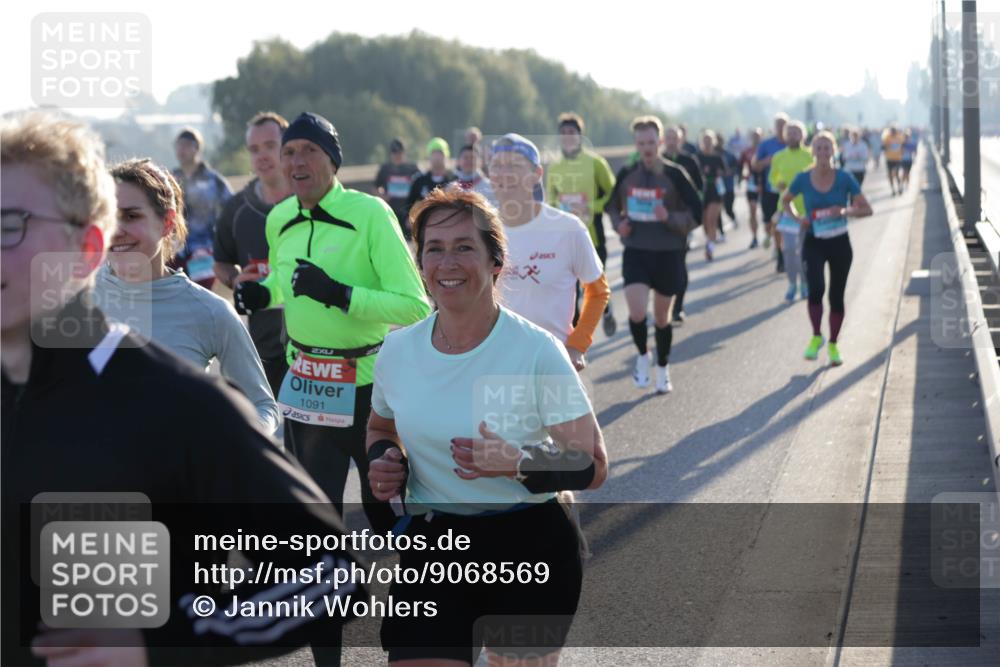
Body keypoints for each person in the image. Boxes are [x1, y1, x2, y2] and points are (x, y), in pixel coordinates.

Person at [2, 110, 366, 667]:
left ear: (87, 246)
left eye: (11, 225)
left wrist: (165, 641)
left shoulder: (180, 403)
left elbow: (332, 577)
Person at [366, 186, 608, 666]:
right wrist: (383, 462)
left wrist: (518, 463)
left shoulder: (537, 351)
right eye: (434, 249)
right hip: (437, 543)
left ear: (496, 262)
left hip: (529, 544)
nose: (447, 262)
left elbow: (593, 465)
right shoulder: (396, 351)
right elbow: (379, 429)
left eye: (464, 248)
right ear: (420, 263)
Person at [93, 158, 279, 434]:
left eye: (131, 216)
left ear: (167, 222)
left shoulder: (210, 311)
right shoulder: (72, 296)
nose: (117, 230)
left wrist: (227, 449)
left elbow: (262, 406)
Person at [490, 133, 610, 371]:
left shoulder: (567, 228)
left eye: (515, 165)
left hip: (553, 363)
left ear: (536, 175)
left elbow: (597, 292)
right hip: (496, 362)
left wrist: (577, 344)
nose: (506, 173)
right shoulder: (479, 230)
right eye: (498, 166)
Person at [606, 116, 703, 394]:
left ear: (659, 142)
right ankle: (642, 356)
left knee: (662, 318)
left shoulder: (675, 174)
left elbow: (695, 213)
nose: (646, 148)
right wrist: (619, 224)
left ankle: (662, 367)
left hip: (668, 253)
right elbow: (611, 208)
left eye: (651, 142)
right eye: (641, 143)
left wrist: (669, 217)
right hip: (636, 251)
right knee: (636, 312)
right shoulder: (627, 173)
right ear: (635, 144)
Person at [213, 111, 293, 398]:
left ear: (288, 146)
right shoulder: (237, 209)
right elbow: (220, 262)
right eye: (254, 149)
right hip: (264, 347)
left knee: (310, 442)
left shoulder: (314, 203)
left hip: (318, 351)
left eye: (270, 146)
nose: (262, 156)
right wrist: (236, 280)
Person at [783, 130, 872, 366]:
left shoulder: (844, 178)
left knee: (836, 295)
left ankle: (833, 343)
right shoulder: (803, 178)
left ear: (834, 151)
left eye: (827, 148)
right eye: (819, 148)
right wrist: (798, 218)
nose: (823, 152)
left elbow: (867, 209)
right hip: (813, 240)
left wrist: (844, 211)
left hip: (839, 242)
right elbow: (786, 200)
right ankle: (816, 336)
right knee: (815, 289)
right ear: (813, 152)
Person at [545, 112, 618, 335]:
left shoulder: (596, 163)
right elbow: (552, 201)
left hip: (593, 233)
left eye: (572, 133)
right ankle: (575, 339)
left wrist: (592, 207)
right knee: (570, 290)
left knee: (595, 283)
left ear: (580, 135)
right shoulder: (555, 167)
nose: (568, 137)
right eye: (564, 133)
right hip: (565, 237)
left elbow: (613, 193)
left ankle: (607, 310)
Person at [170, 126, 233, 289]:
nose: (181, 150)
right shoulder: (169, 179)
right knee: (176, 297)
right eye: (178, 145)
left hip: (203, 251)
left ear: (196, 148)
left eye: (185, 145)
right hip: (175, 251)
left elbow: (231, 209)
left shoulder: (213, 180)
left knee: (201, 295)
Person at [769, 121, 815, 303]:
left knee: (804, 251)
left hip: (807, 209)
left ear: (803, 135)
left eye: (797, 132)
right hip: (787, 209)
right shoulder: (779, 156)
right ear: (785, 136)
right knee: (788, 250)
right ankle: (791, 284)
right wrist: (778, 181)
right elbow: (773, 176)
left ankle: (805, 283)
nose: (793, 136)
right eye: (790, 133)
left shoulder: (810, 155)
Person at [661, 126, 703, 324]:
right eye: (667, 137)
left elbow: (699, 190)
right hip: (659, 220)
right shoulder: (656, 161)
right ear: (663, 140)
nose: (671, 141)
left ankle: (678, 307)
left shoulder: (689, 161)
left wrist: (692, 216)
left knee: (679, 263)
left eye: (674, 138)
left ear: (680, 140)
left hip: (681, 220)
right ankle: (663, 304)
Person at [752, 112, 789, 269]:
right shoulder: (766, 145)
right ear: (774, 127)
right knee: (770, 222)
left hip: (788, 191)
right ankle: (776, 242)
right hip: (769, 189)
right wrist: (767, 161)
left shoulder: (792, 143)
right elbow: (755, 165)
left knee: (783, 222)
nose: (781, 128)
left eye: (783, 125)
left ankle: (781, 255)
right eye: (778, 125)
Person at [374, 138, 420, 239]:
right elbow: (375, 187)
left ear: (404, 153)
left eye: (399, 152)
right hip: (390, 211)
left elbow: (420, 190)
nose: (397, 156)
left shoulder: (413, 168)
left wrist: (415, 212)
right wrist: (382, 196)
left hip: (408, 212)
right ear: (391, 154)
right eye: (394, 153)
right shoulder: (385, 169)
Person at [405, 137, 457, 220]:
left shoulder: (454, 180)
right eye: (434, 153)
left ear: (446, 155)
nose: (437, 157)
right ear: (429, 156)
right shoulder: (419, 180)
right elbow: (409, 205)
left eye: (440, 153)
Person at [696, 130, 726, 261]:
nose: (707, 144)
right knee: (704, 222)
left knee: (712, 220)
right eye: (705, 141)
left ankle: (710, 248)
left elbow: (724, 171)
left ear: (713, 142)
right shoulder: (697, 157)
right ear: (701, 143)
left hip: (714, 190)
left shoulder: (717, 157)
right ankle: (709, 241)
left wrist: (719, 173)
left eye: (709, 141)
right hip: (702, 191)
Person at [741, 128, 764, 248]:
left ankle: (769, 234)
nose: (756, 138)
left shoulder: (766, 150)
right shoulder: (746, 152)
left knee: (767, 214)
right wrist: (743, 176)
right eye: (754, 136)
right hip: (751, 184)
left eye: (758, 136)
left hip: (765, 184)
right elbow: (741, 167)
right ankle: (754, 237)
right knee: (752, 211)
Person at [881, 124, 906, 196]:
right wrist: (886, 146)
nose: (892, 132)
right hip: (889, 158)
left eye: (894, 131)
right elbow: (883, 147)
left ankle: (899, 187)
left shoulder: (899, 137)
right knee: (890, 175)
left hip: (897, 158)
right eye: (891, 131)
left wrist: (902, 153)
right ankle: (893, 189)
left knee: (897, 174)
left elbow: (903, 145)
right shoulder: (886, 137)